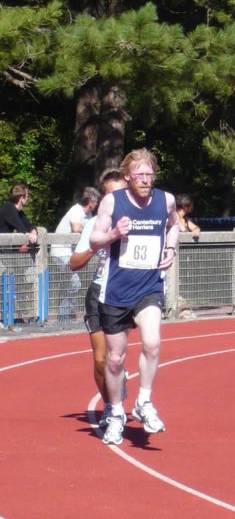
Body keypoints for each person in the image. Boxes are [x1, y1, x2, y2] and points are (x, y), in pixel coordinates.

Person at [89, 148, 179, 446]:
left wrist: (170, 249)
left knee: (152, 342)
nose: (144, 179)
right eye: (139, 174)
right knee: (115, 359)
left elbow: (174, 225)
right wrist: (114, 233)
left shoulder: (165, 200)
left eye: (149, 173)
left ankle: (144, 401)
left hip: (149, 287)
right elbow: (94, 239)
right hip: (116, 290)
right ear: (127, 176)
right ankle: (116, 412)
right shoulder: (112, 201)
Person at [70, 172, 128, 426]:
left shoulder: (140, 221)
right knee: (101, 359)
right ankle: (110, 406)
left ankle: (128, 389)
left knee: (118, 357)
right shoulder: (94, 224)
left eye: (122, 193)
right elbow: (74, 263)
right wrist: (98, 243)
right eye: (112, 194)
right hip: (99, 291)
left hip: (127, 293)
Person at [51, 187, 101, 320]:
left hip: (72, 254)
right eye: (96, 202)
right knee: (75, 283)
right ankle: (63, 315)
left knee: (79, 282)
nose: (97, 205)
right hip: (61, 252)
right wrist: (90, 231)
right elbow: (76, 228)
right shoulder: (76, 210)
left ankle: (73, 313)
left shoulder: (89, 216)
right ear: (91, 202)